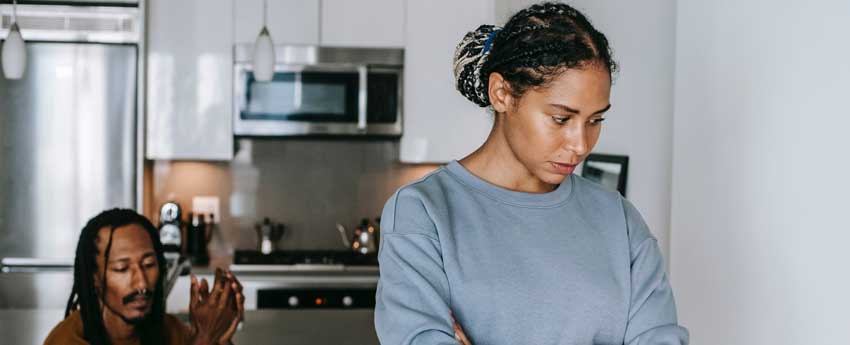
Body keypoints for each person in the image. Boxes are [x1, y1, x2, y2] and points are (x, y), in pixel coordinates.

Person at [374, 2, 689, 344]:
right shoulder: (423, 212)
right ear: (502, 94)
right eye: (561, 118)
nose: (581, 144)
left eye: (595, 120)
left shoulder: (620, 221)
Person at [43, 208, 245, 345]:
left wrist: (220, 334)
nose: (141, 282)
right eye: (122, 268)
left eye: (149, 265)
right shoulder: (66, 339)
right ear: (94, 278)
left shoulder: (168, 330)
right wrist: (205, 339)